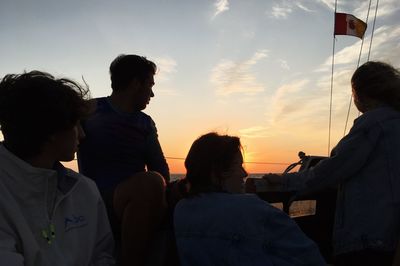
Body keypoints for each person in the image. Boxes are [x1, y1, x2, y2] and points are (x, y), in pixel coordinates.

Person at [264, 61, 400, 266]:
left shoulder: (372, 124)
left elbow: (329, 172)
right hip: (389, 236)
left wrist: (283, 181)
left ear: (359, 94)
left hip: (368, 240)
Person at [0, 71, 115, 265]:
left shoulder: (85, 190)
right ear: (52, 129)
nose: (82, 134)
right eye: (76, 124)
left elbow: (103, 256)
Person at [174, 132, 326, 266]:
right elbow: (309, 256)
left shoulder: (181, 210)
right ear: (217, 172)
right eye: (238, 165)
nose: (244, 173)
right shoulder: (251, 209)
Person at [77, 54, 170, 266]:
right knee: (150, 183)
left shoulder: (145, 123)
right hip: (99, 201)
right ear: (136, 83)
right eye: (150, 85)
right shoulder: (89, 110)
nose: (152, 94)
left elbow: (159, 167)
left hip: (141, 203)